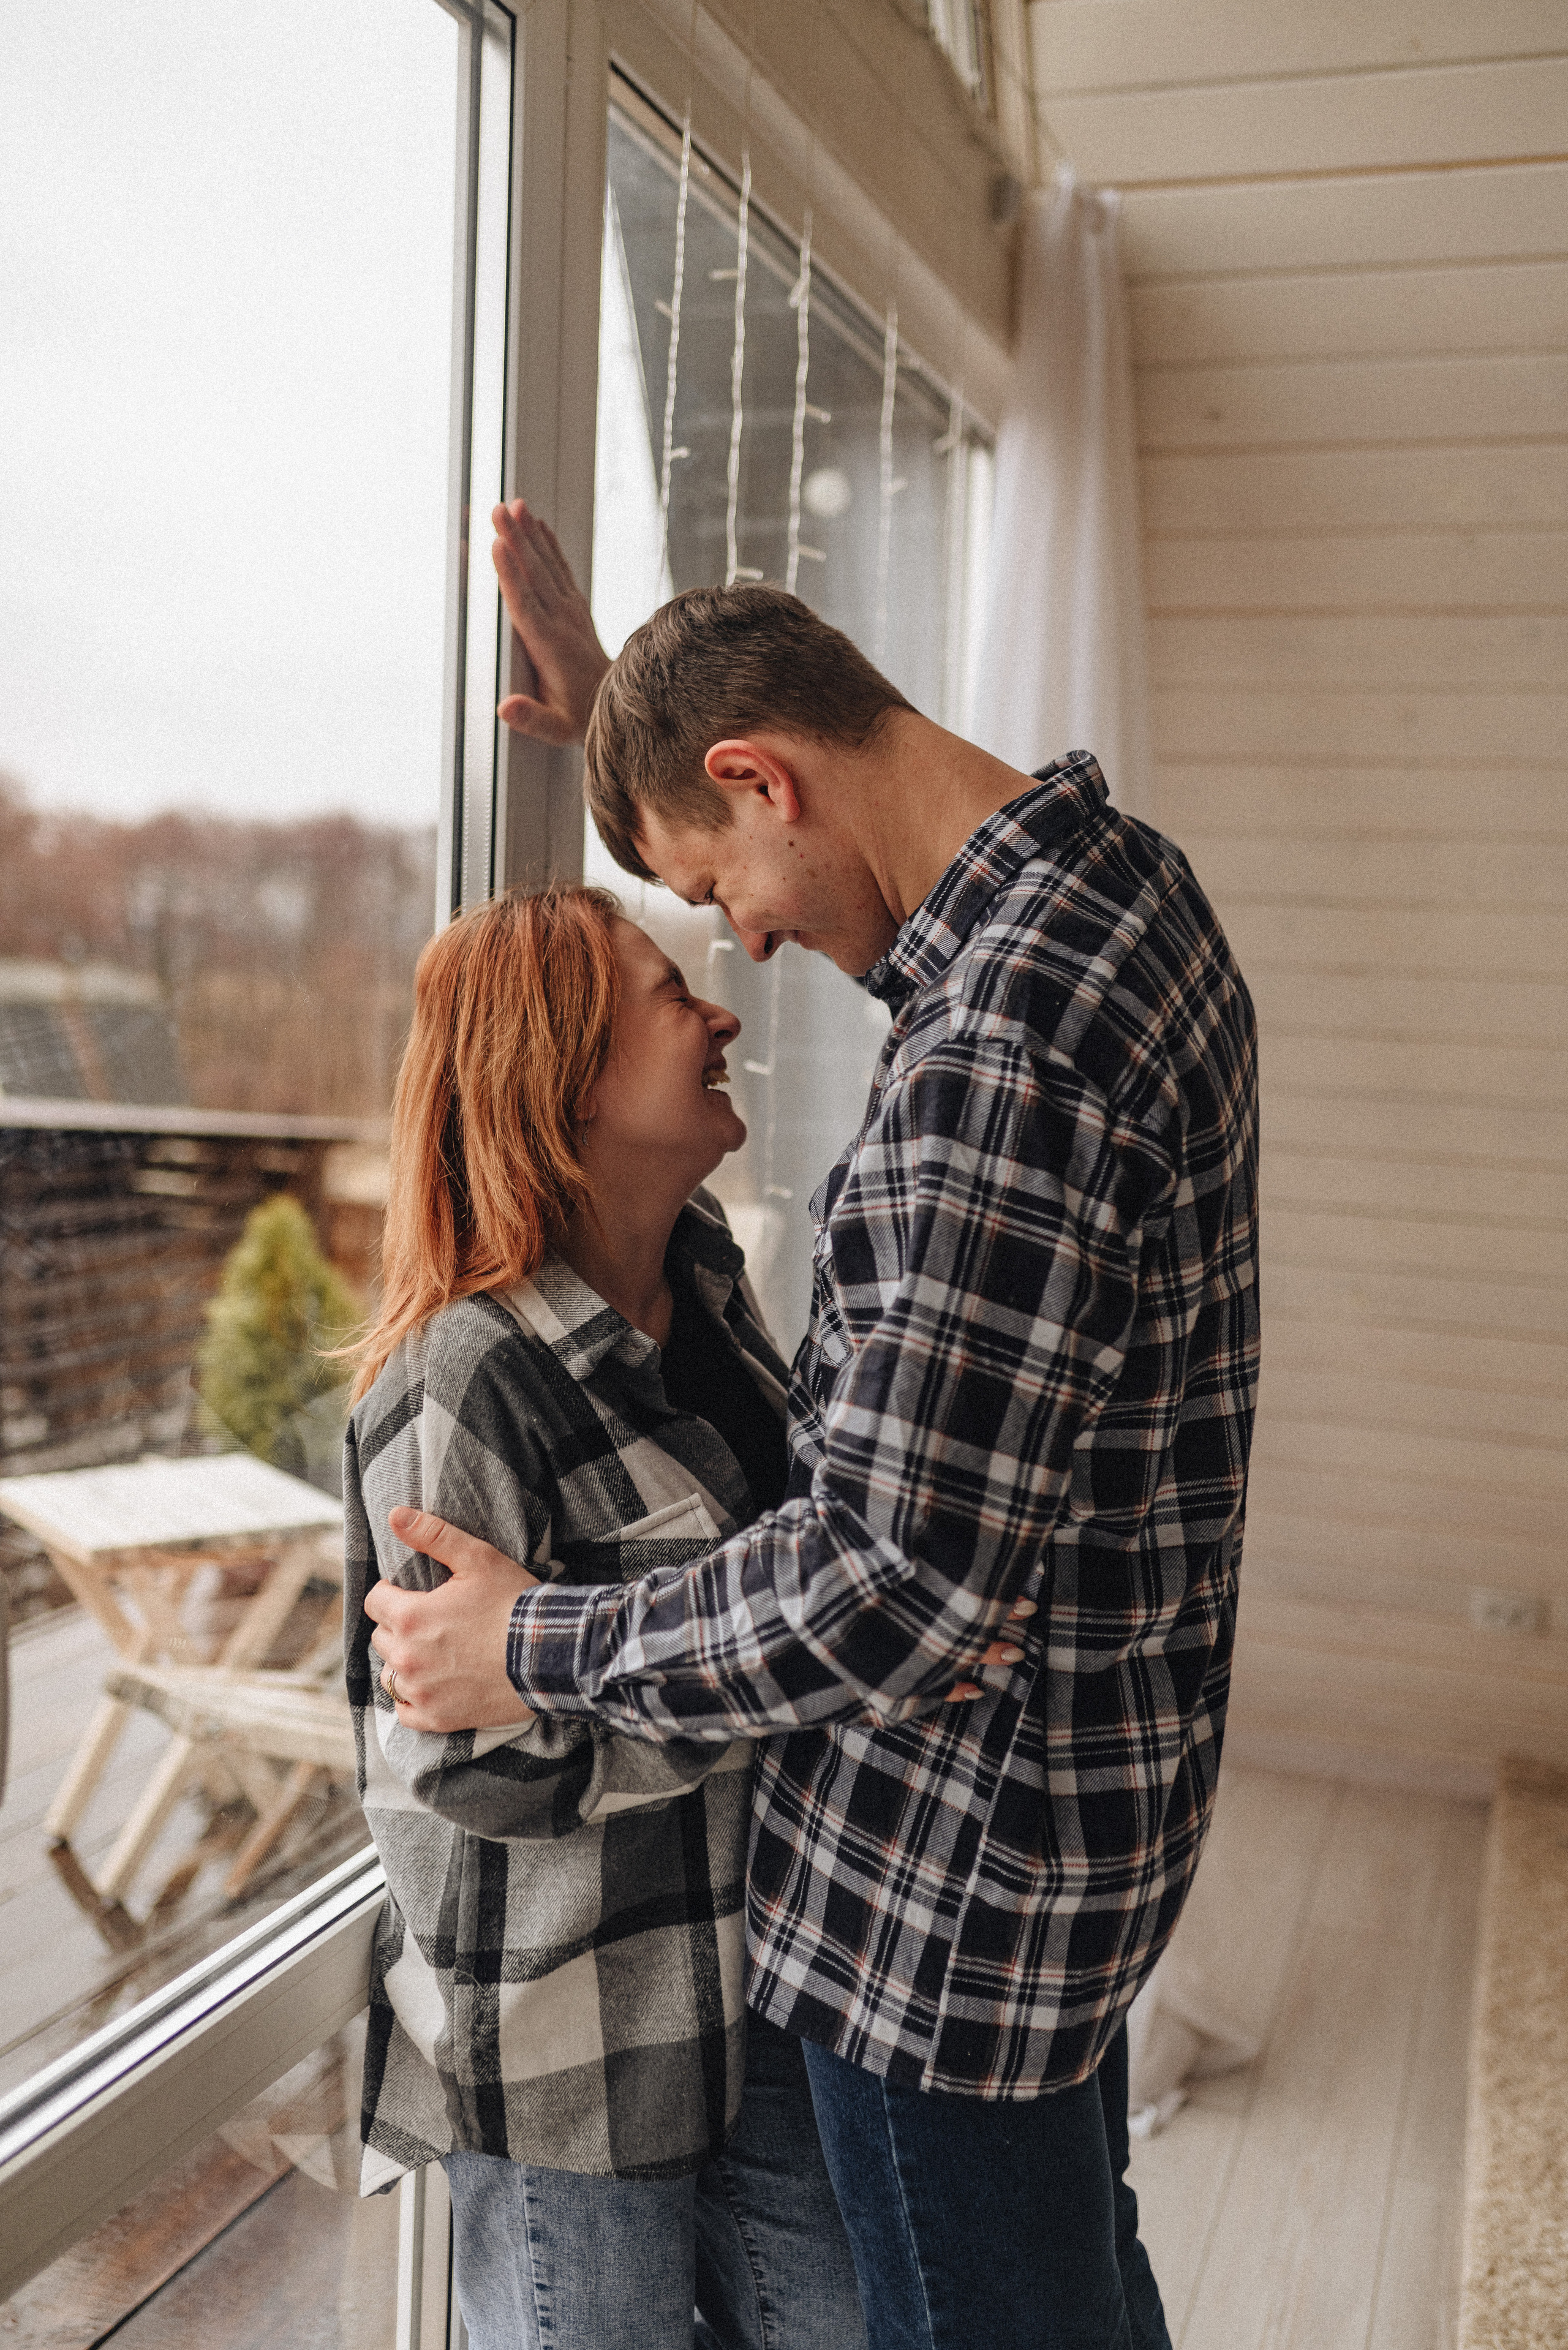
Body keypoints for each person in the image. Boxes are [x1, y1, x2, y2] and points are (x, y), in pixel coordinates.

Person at [367, 503, 1261, 2350]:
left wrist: (530, 1636)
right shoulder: (1116, 896)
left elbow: (890, 1584)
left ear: (762, 774)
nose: (747, 954)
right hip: (1059, 1845)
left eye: (714, 894)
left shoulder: (990, 1060)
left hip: (951, 1891)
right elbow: (777, 852)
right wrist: (631, 708)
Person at [343, 884, 867, 2350]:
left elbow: (787, 1577)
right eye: (666, 993)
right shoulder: (465, 1378)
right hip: (572, 2064)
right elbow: (469, 1761)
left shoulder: (705, 1284)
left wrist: (744, 1657)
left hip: (759, 1998)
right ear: (560, 1076)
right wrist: (791, 1683)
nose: (718, 1014)